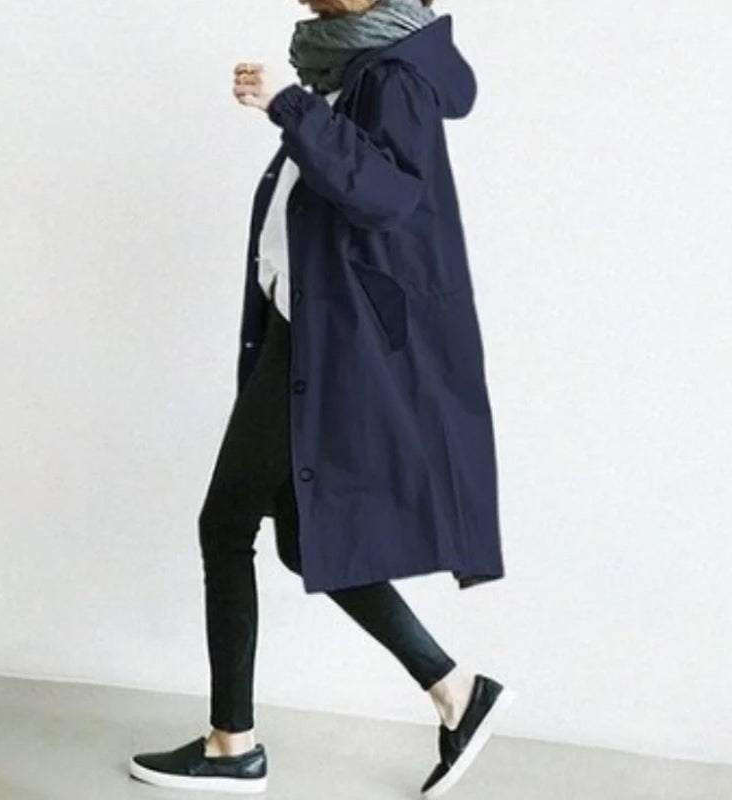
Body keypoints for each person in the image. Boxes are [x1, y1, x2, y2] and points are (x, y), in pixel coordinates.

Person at [129, 0, 514, 795]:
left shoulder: (395, 76)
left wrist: (288, 104)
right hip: (301, 325)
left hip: (326, 339)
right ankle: (455, 690)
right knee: (306, 540)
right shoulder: (352, 65)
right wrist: (296, 104)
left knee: (227, 524)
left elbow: (386, 195)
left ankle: (232, 746)